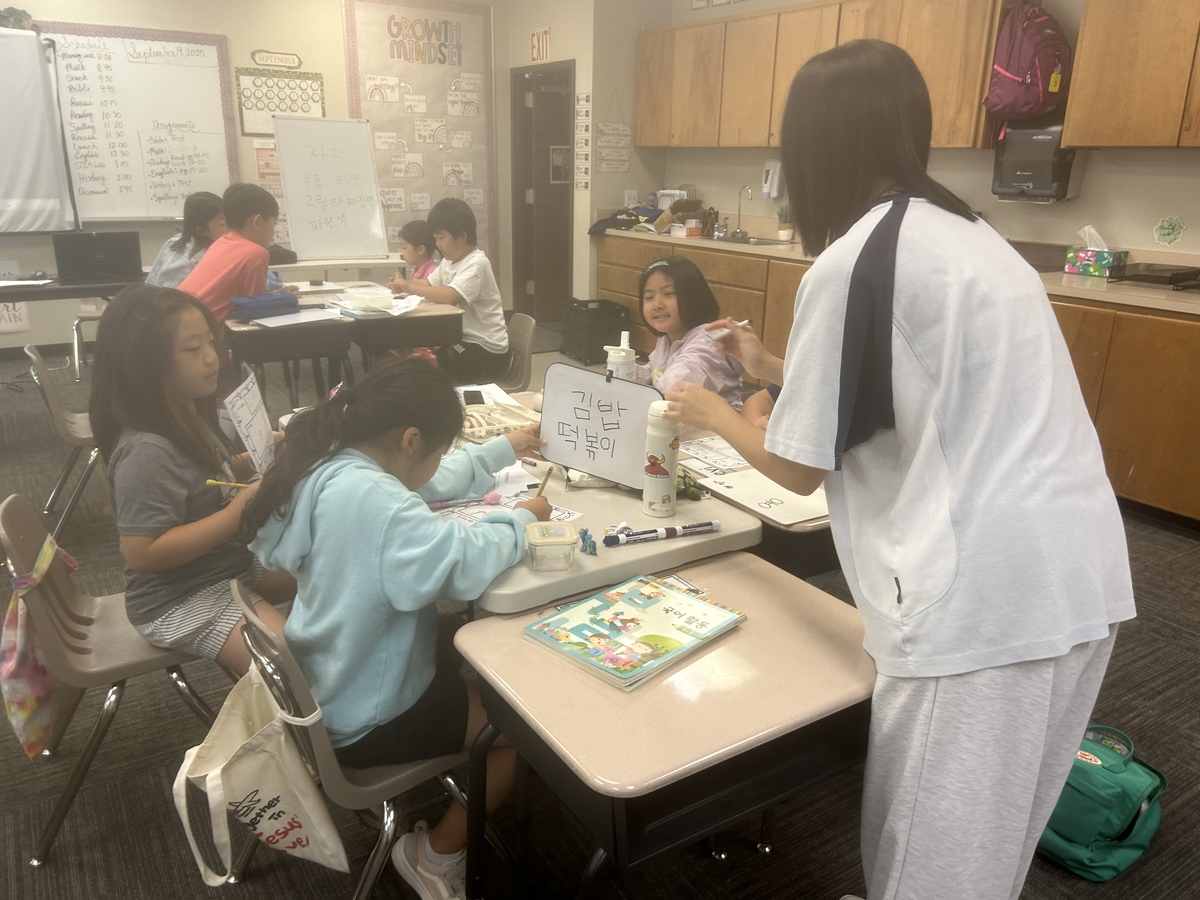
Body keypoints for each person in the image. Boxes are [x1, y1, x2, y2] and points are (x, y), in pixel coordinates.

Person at [664, 40, 1134, 900]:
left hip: (980, 603)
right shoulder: (976, 237)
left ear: (812, 148)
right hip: (1081, 573)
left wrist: (715, 415)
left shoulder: (852, 261)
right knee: (994, 842)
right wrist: (774, 369)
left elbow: (797, 470)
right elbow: (925, 387)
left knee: (937, 862)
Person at [242, 356, 550, 899]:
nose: (437, 464)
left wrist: (500, 449)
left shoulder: (333, 466)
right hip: (370, 716)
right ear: (410, 440)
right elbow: (463, 565)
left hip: (332, 679)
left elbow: (424, 481)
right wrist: (523, 519)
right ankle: (435, 856)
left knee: (470, 646)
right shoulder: (380, 505)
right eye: (438, 451)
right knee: (529, 730)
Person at [88, 284, 293, 675]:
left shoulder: (184, 410)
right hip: (181, 596)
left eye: (211, 343)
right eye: (193, 349)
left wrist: (257, 455)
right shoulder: (146, 450)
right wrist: (236, 512)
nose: (212, 357)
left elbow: (207, 475)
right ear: (146, 363)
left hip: (226, 564)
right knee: (295, 666)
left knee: (334, 562)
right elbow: (143, 553)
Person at [387, 198, 509, 383]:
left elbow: (451, 295)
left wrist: (409, 286)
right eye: (435, 238)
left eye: (441, 237)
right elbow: (429, 284)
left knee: (438, 360)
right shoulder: (449, 261)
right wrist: (402, 284)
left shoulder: (476, 263)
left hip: (485, 348)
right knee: (425, 357)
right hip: (462, 340)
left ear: (461, 236)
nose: (437, 244)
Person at [635, 257, 744, 405]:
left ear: (693, 297)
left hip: (716, 420)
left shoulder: (708, 343)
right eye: (649, 297)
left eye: (669, 293)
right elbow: (654, 371)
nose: (657, 304)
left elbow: (671, 389)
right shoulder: (667, 337)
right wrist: (624, 369)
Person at [179, 183, 279, 333]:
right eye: (273, 224)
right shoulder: (256, 253)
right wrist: (284, 299)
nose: (273, 232)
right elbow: (254, 309)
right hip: (205, 332)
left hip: (182, 322)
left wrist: (276, 295)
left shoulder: (221, 242)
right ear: (257, 222)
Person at [146, 191, 227, 288]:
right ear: (201, 230)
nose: (230, 227)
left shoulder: (176, 240)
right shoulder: (188, 262)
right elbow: (167, 295)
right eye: (222, 224)